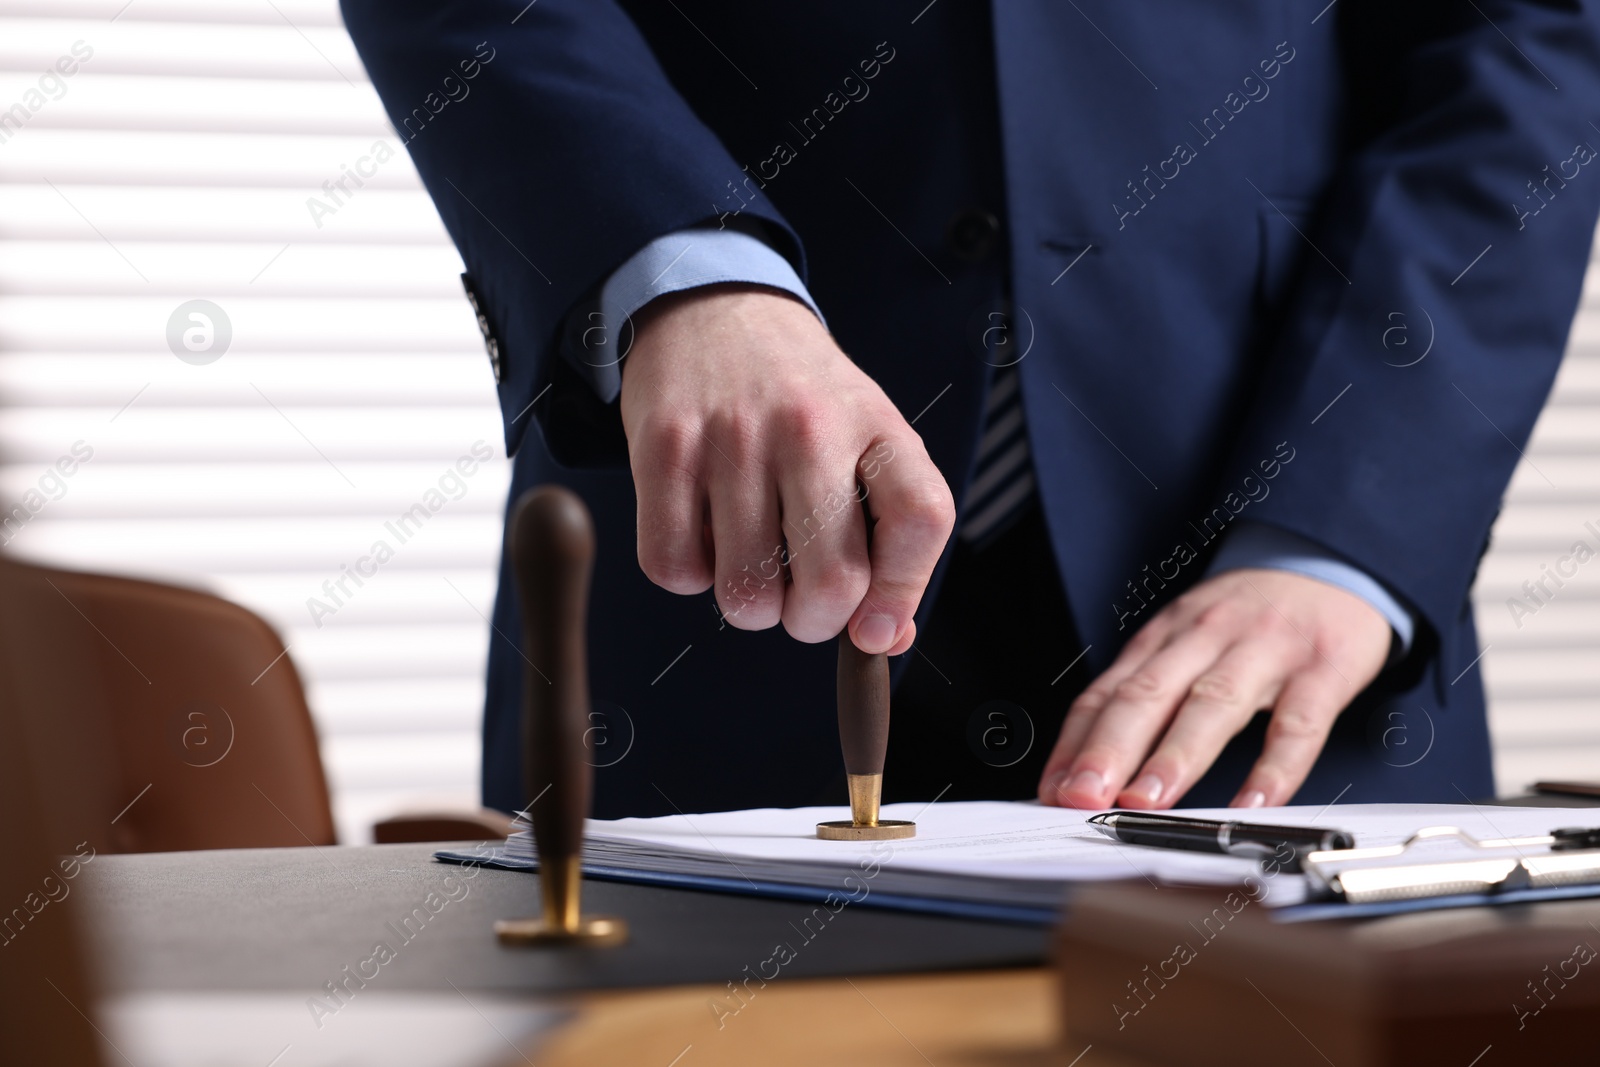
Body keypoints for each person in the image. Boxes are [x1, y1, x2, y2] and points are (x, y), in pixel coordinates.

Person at [342, 1, 1600, 818]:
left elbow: (1523, 43)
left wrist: (1351, 527)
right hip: (714, 575)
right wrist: (687, 269)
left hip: (1281, 589)